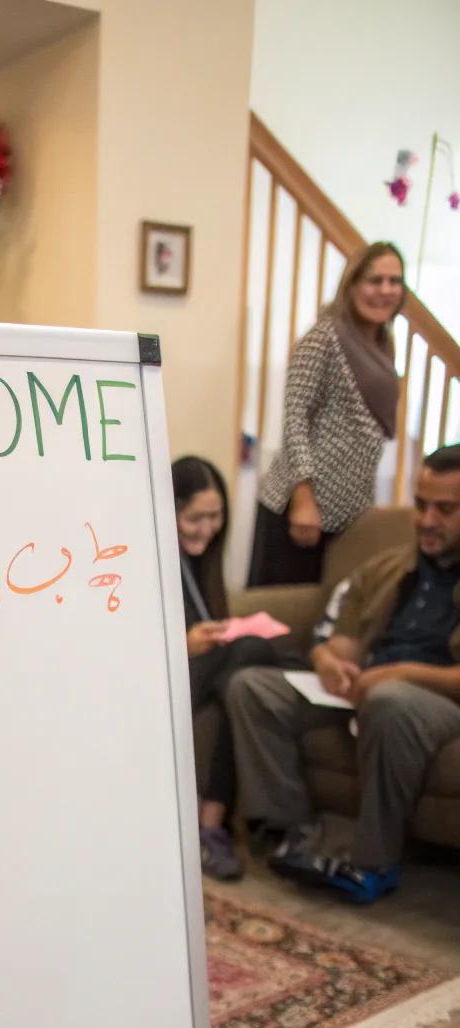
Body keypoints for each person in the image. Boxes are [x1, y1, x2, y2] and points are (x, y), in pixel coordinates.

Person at [226, 444, 460, 903]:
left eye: (445, 509)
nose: (427, 520)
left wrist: (400, 674)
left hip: (432, 701)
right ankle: (294, 836)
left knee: (391, 701)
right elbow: (340, 643)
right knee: (252, 687)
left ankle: (373, 863)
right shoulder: (388, 567)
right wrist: (330, 664)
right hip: (367, 693)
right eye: (420, 505)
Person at [249, 241, 405, 586]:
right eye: (374, 280)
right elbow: (295, 419)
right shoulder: (324, 338)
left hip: (347, 510)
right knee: (282, 621)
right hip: (302, 510)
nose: (385, 290)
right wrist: (305, 500)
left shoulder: (383, 343)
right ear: (351, 285)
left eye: (395, 281)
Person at [174, 456, 282, 882]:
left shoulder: (205, 561)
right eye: (194, 518)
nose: (207, 528)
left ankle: (210, 826)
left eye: (215, 516)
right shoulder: (142, 560)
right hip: (166, 679)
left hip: (207, 676)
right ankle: (215, 826)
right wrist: (184, 645)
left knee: (238, 687)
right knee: (256, 649)